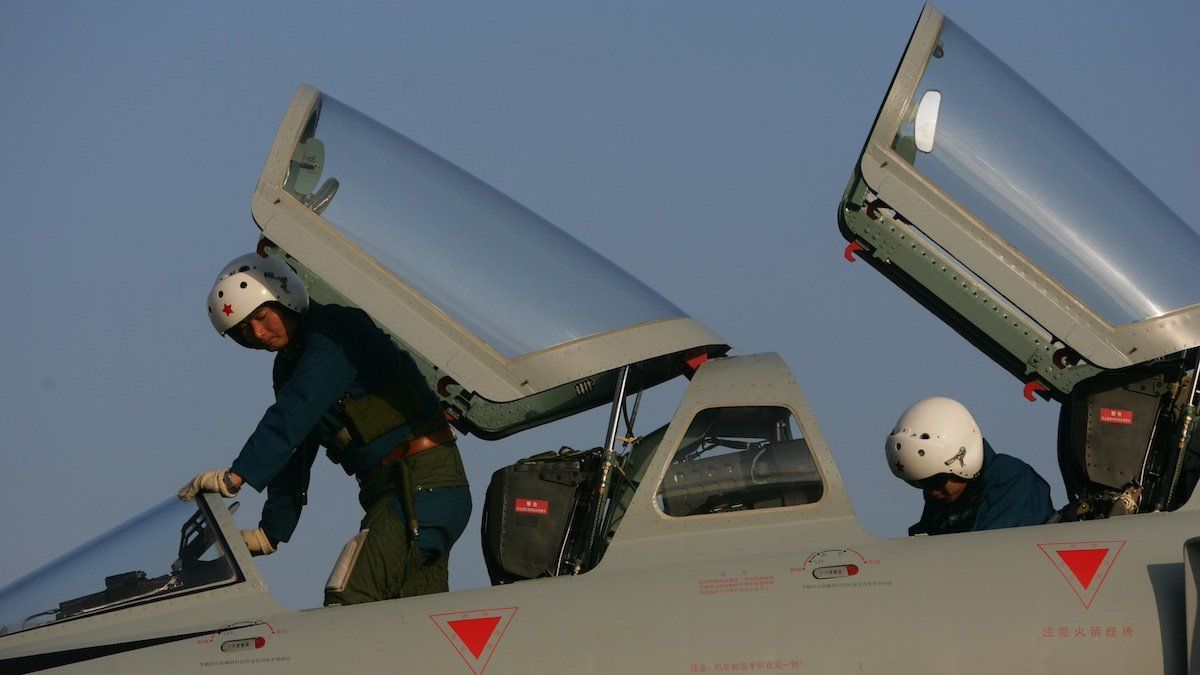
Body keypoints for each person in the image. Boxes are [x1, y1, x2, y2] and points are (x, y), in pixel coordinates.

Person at [179, 252, 470, 605]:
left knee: (349, 601)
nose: (257, 333)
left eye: (261, 316)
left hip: (423, 484)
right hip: (388, 492)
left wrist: (236, 476)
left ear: (283, 299)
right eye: (243, 330)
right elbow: (295, 449)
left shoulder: (336, 331)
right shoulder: (288, 367)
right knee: (410, 620)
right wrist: (272, 531)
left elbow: (296, 411)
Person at [884, 396, 1053, 536]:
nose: (930, 491)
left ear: (963, 463)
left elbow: (990, 556)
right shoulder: (944, 498)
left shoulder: (1012, 481)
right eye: (917, 483)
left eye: (936, 480)